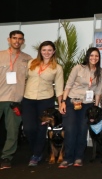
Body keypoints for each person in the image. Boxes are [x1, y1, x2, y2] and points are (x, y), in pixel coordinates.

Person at [59, 47, 102, 168]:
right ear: (87, 56)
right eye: (91, 55)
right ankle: (68, 158)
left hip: (88, 105)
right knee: (70, 129)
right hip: (73, 102)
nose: (94, 58)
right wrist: (63, 101)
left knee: (83, 130)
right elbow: (68, 85)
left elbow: (98, 91)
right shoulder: (78, 68)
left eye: (96, 56)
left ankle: (78, 157)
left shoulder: (100, 72)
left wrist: (95, 107)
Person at [22, 41, 64, 167]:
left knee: (41, 128)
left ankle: (36, 154)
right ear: (40, 51)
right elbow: (23, 79)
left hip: (46, 100)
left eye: (49, 50)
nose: (46, 52)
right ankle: (37, 150)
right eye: (44, 50)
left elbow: (60, 87)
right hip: (28, 99)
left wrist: (61, 103)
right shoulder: (31, 63)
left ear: (54, 52)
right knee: (29, 128)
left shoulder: (57, 67)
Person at [0, 30, 32, 169]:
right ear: (9, 40)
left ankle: (6, 158)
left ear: (23, 41)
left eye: (20, 39)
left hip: (15, 100)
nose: (17, 41)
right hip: (0, 97)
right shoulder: (0, 56)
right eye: (14, 38)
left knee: (13, 131)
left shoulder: (28, 59)